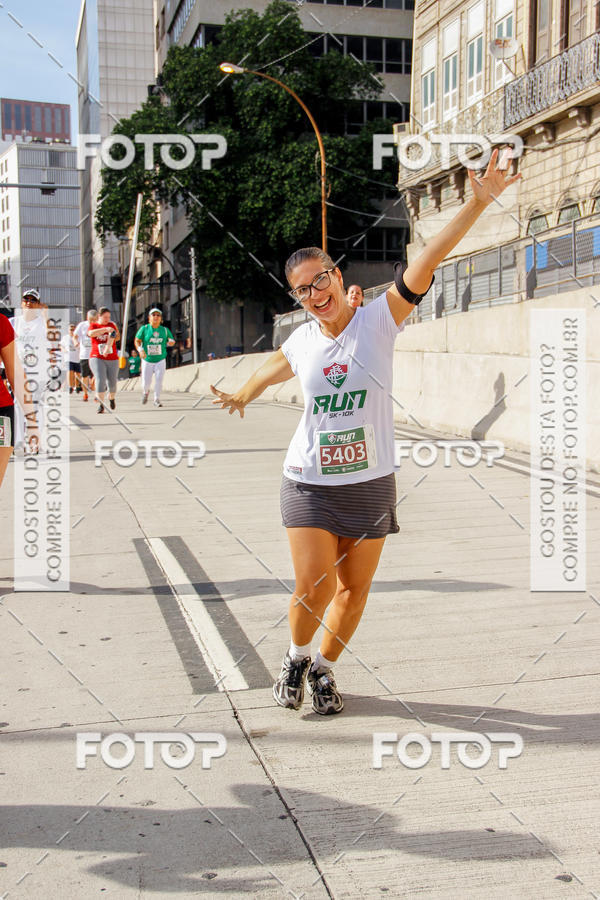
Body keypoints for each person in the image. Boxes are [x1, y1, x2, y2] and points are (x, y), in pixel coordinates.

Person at [211, 151, 521, 716]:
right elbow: (270, 368)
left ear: (338, 277)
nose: (314, 292)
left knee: (354, 591)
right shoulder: (303, 341)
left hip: (372, 483)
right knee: (314, 585)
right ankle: (296, 656)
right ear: (297, 298)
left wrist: (476, 203)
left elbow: (428, 257)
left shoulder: (380, 318)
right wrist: (241, 393)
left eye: (320, 279)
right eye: (302, 289)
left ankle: (325, 671)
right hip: (308, 481)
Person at [10, 289, 50, 451]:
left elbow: (52, 338)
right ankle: (19, 441)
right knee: (17, 405)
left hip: (37, 371)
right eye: (26, 299)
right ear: (21, 303)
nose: (28, 302)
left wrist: (46, 316)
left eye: (33, 300)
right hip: (18, 370)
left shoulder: (42, 322)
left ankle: (34, 440)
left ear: (38, 305)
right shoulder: (14, 322)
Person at [134, 308, 175, 407]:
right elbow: (137, 340)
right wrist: (140, 350)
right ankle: (145, 392)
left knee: (159, 379)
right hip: (147, 359)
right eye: (154, 315)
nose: (156, 317)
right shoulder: (144, 329)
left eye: (158, 315)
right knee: (146, 382)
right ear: (149, 318)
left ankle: (157, 399)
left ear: (161, 319)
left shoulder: (164, 330)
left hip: (160, 359)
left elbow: (171, 340)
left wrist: (171, 342)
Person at [88, 307, 120, 414]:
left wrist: (107, 348)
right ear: (99, 316)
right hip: (97, 356)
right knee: (100, 378)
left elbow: (114, 337)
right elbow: (91, 334)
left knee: (112, 382)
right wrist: (105, 330)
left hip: (112, 357)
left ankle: (111, 398)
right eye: (105, 317)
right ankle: (101, 404)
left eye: (109, 317)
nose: (107, 319)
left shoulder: (111, 325)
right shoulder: (94, 325)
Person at [74, 309, 97, 401]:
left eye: (93, 320)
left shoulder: (99, 325)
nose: (91, 322)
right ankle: (85, 393)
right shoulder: (82, 325)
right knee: (84, 376)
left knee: (96, 375)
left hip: (95, 354)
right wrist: (75, 342)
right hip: (84, 355)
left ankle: (96, 394)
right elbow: (75, 336)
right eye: (90, 320)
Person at [61, 323, 80, 393]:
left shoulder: (78, 337)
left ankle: (77, 386)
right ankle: (70, 386)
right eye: (70, 329)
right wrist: (63, 349)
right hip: (68, 357)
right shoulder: (65, 337)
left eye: (73, 329)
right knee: (70, 371)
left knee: (77, 373)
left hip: (77, 358)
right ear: (68, 330)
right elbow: (61, 345)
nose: (72, 331)